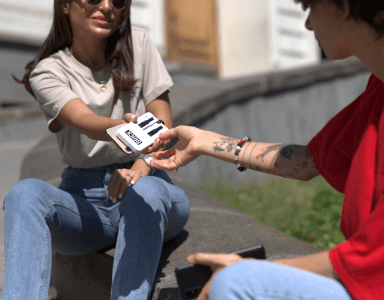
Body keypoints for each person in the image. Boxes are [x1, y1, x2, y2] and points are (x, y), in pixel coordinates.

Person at [147, 0, 384, 299]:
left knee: (236, 283)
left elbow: (368, 263)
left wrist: (245, 270)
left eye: (310, 7)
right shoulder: (378, 88)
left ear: (343, 7)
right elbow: (306, 161)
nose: (308, 24)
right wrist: (204, 142)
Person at [3, 0, 190, 299]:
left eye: (117, 1)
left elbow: (163, 122)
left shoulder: (138, 44)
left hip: (150, 188)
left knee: (146, 192)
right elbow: (82, 119)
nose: (106, 7)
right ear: (65, 5)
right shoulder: (47, 71)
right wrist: (122, 127)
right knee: (24, 195)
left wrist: (139, 169)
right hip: (85, 205)